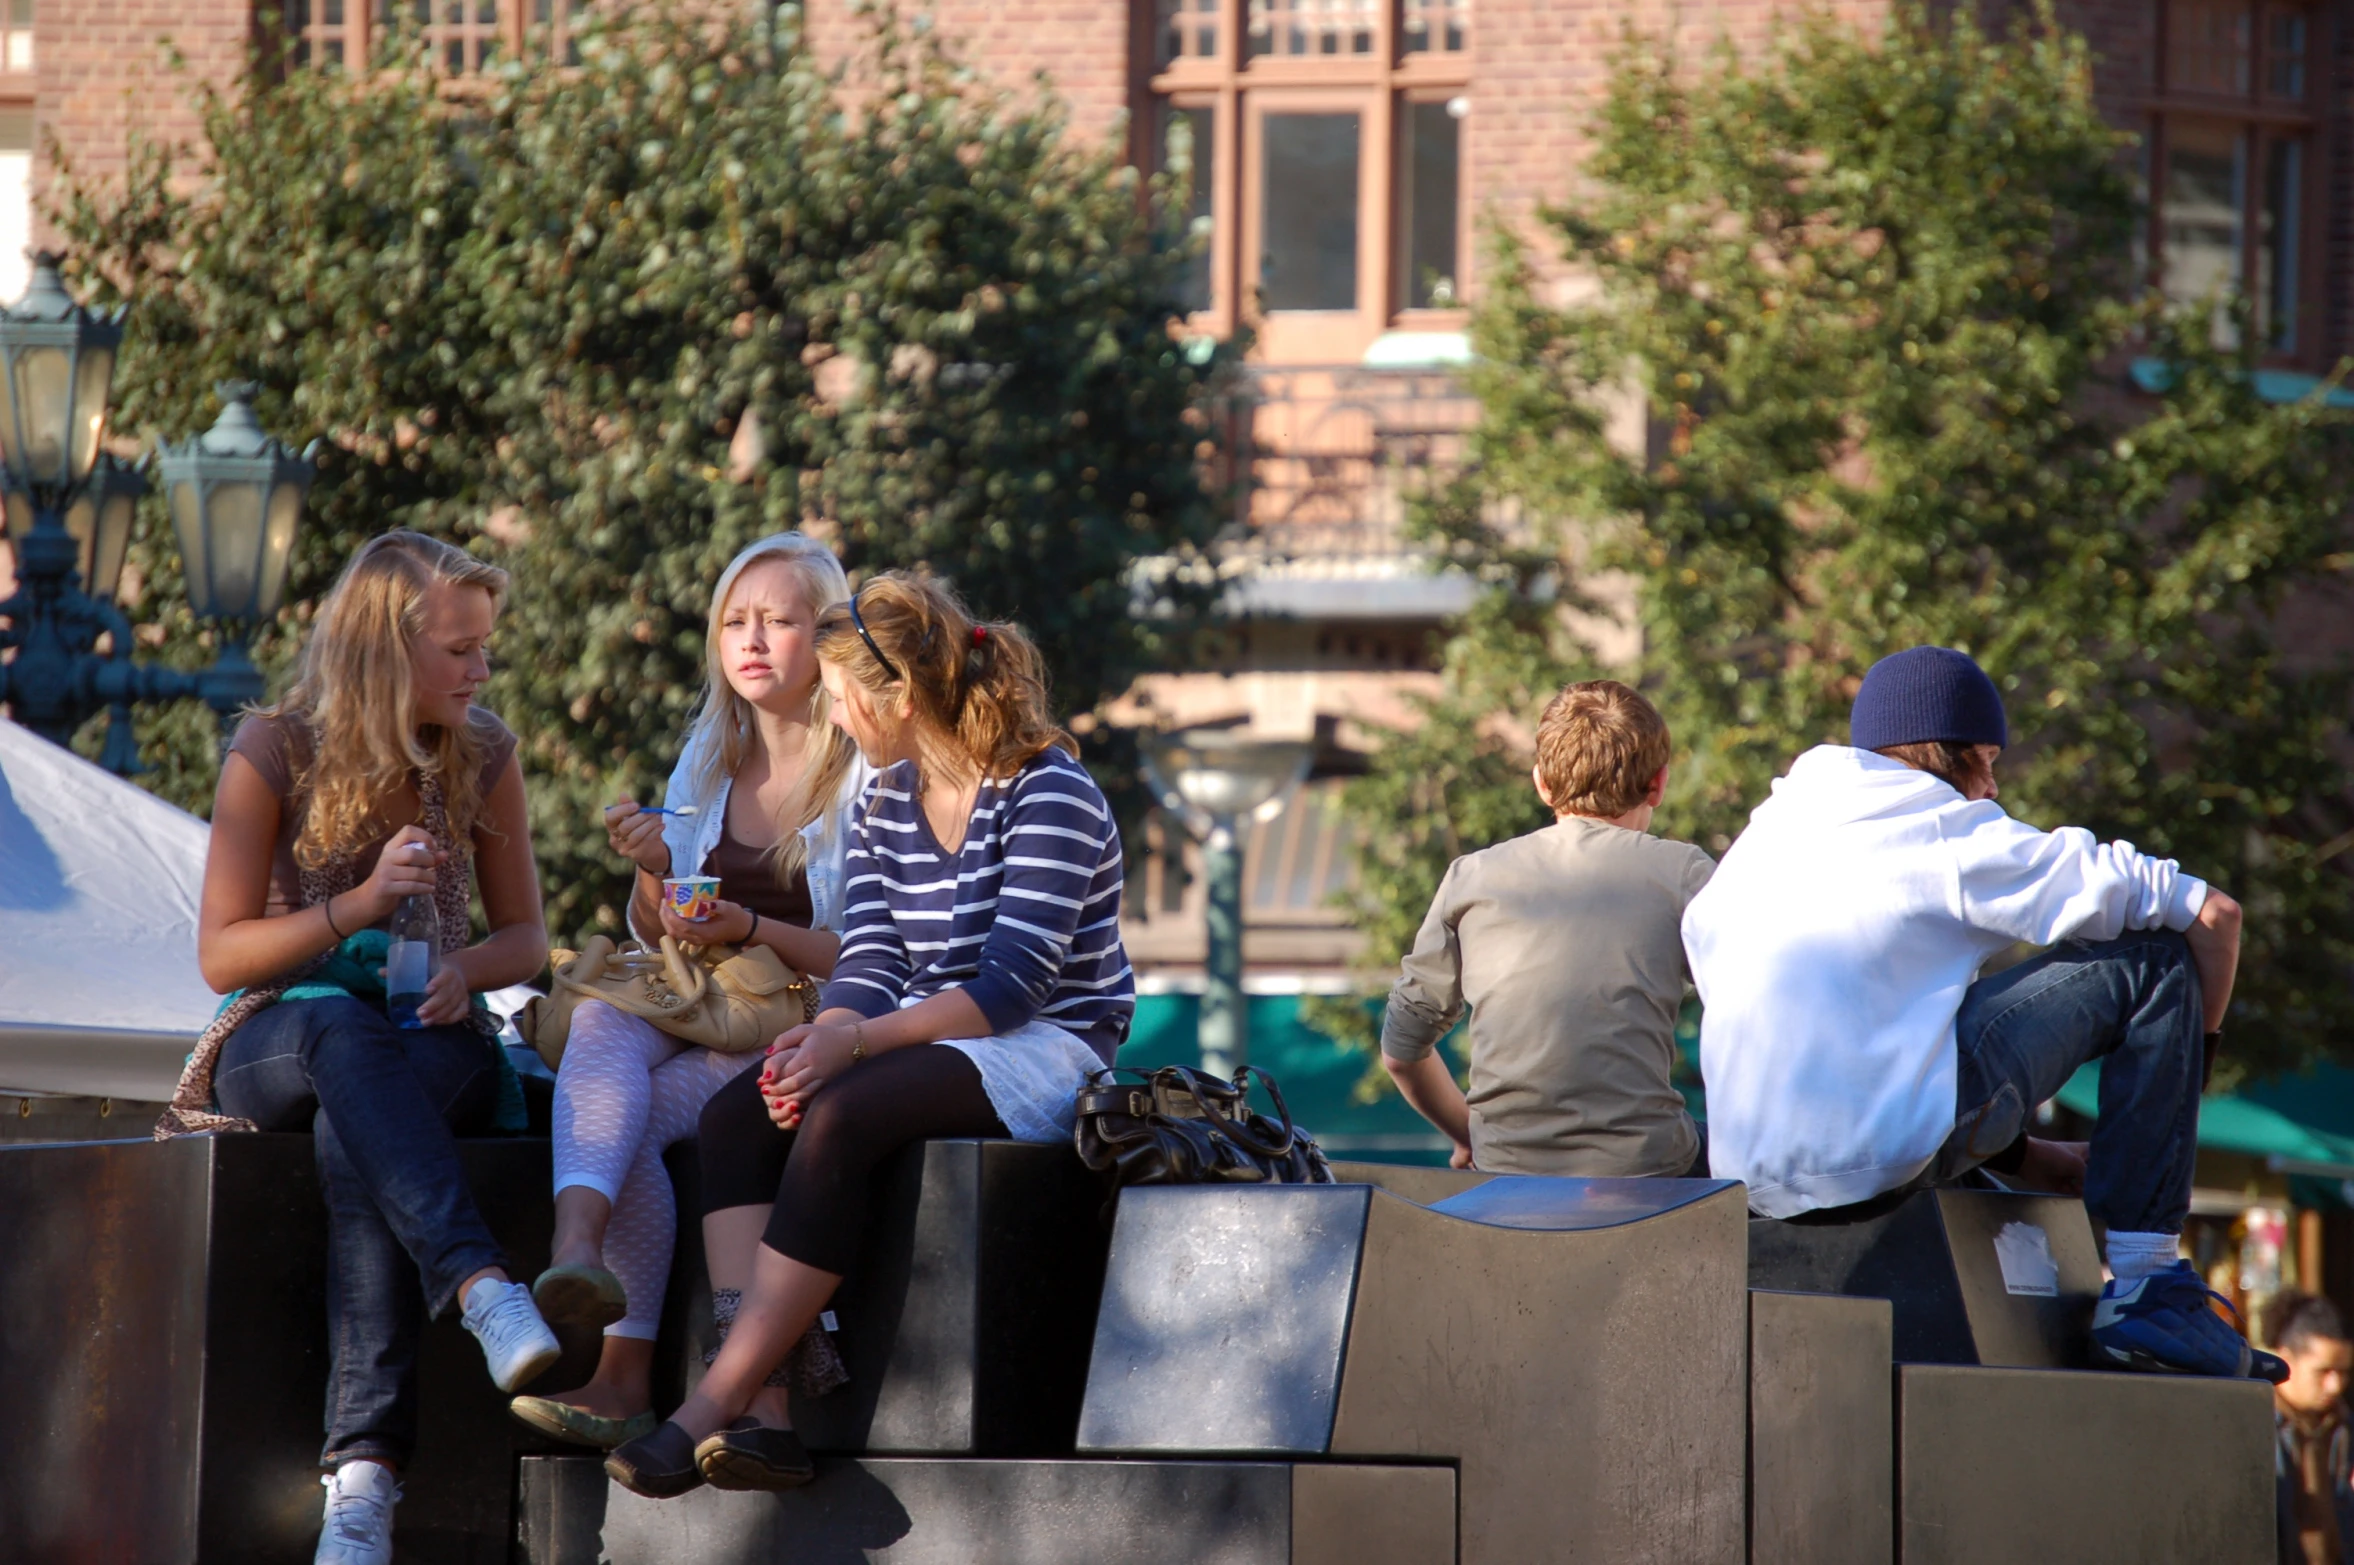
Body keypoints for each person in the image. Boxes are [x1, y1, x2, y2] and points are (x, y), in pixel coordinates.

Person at [604, 571, 1134, 1496]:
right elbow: (874, 956)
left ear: (897, 697)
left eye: (842, 701)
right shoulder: (886, 800)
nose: (836, 723)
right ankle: (768, 1418)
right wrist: (827, 1034)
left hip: (1047, 1044)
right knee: (741, 1114)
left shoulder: (1051, 789)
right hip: (919, 1030)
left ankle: (710, 1400)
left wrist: (853, 1048)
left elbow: (1012, 988)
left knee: (843, 1112)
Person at [1683, 644, 2284, 1381]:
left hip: (1758, 1182)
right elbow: (2215, 915)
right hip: (1887, 1159)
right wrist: (2186, 1080)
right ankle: (2146, 1281)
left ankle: (2098, 1234)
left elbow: (1865, 1048)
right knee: (2156, 957)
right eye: (1988, 760)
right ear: (1946, 754)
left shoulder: (1758, 847)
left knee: (1929, 1004)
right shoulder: (1941, 829)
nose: (1994, 785)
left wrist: (2029, 1157)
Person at [161, 531, 560, 1565]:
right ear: (388, 649)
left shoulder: (482, 752)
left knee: (360, 1127)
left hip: (432, 1031)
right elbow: (222, 953)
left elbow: (528, 938)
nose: (480, 670)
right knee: (340, 1035)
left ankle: (363, 1482)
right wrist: (357, 905)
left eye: (483, 648)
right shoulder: (273, 748)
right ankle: (479, 1283)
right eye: (460, 649)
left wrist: (460, 971)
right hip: (283, 1024)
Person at [507, 533, 873, 1453]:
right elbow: (658, 932)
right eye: (734, 622)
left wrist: (750, 928)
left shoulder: (868, 766)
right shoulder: (711, 749)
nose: (751, 641)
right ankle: (576, 1254)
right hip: (706, 995)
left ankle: (623, 1373)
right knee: (596, 1022)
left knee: (637, 1117)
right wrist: (653, 870)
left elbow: (875, 951)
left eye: (779, 621)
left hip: (810, 1015)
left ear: (823, 638)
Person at [1381, 679, 1713, 1176]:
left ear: (1541, 783)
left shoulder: (1472, 877)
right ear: (1659, 784)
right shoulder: (1685, 875)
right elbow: (1761, 1012)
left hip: (1507, 1171)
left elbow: (1402, 1055)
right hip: (1646, 1170)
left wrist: (1471, 1136)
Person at [2272, 1292, 2354, 1565]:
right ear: (2286, 1360)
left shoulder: (2344, 1428)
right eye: (2323, 1371)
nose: (2335, 1386)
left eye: (2343, 1373)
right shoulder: (2253, 1428)